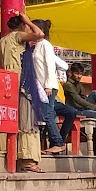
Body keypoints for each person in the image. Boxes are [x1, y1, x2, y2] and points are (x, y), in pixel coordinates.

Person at [0, 14, 43, 172]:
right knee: (25, 120)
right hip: (21, 83)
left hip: (6, 83)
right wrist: (29, 21)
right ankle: (27, 160)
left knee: (9, 119)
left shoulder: (3, 40)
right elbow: (40, 34)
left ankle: (9, 154)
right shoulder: (18, 36)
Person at [32, 20, 65, 153]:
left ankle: (58, 142)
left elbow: (50, 66)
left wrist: (48, 86)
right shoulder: (36, 45)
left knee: (48, 114)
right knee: (45, 115)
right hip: (40, 86)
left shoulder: (45, 45)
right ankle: (53, 142)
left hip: (48, 85)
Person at [59, 62, 96, 150]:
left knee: (95, 93)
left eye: (80, 74)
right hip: (75, 109)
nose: (79, 76)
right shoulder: (68, 85)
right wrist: (94, 108)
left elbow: (84, 98)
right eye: (77, 73)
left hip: (81, 107)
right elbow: (78, 100)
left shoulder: (79, 85)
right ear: (70, 73)